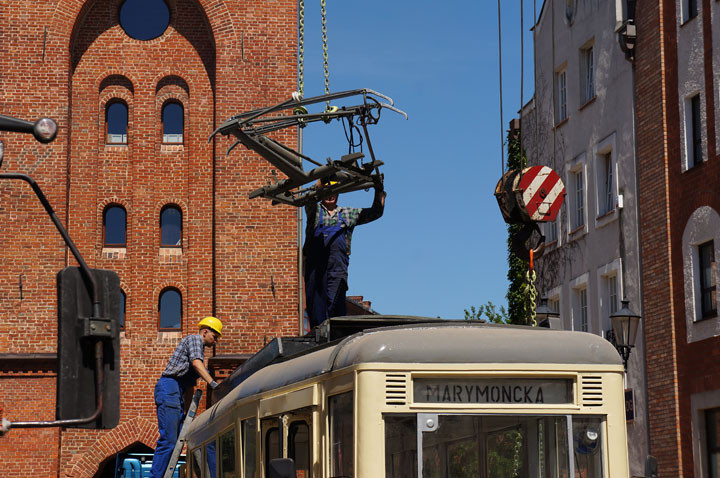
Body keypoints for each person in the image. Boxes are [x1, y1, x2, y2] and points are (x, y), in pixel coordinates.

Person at [304, 177, 386, 328]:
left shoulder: (348, 214)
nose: (330, 196)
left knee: (336, 305)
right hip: (315, 269)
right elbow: (308, 198)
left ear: (338, 195)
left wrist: (379, 190)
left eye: (334, 193)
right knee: (316, 307)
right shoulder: (315, 212)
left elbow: (376, 212)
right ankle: (317, 336)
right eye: (327, 192)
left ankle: (336, 335)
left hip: (337, 269)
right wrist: (321, 181)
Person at [150, 316, 223, 478]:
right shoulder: (194, 340)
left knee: (178, 440)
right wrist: (213, 384)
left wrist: (187, 414)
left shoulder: (199, 349)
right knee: (168, 440)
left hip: (178, 391)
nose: (216, 341)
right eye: (215, 336)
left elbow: (190, 387)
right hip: (169, 388)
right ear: (205, 332)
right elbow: (197, 364)